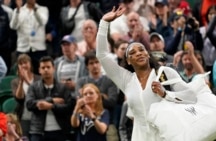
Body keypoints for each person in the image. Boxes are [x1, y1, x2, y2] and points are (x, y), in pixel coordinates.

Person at [96, 6, 198, 141]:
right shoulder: (126, 80)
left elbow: (191, 97)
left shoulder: (165, 72)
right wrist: (104, 23)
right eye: (132, 52)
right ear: (128, 61)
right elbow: (102, 55)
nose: (138, 53)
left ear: (148, 55)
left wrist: (165, 94)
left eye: (141, 50)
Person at [25, 56, 73, 141]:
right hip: (38, 131)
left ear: (54, 68)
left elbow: (69, 107)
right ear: (39, 70)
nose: (46, 70)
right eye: (43, 68)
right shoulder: (34, 87)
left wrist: (51, 106)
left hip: (60, 130)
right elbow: (29, 104)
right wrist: (52, 100)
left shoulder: (63, 88)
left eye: (48, 67)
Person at [75, 51, 119, 141]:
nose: (94, 65)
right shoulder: (81, 82)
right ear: (87, 66)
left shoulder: (110, 81)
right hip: (84, 122)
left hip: (108, 122)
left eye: (97, 62)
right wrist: (103, 95)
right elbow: (80, 102)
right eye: (91, 63)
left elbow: (112, 102)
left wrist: (92, 97)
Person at [10, 0, 49, 75]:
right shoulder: (18, 10)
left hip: (39, 49)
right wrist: (18, 10)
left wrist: (35, 9)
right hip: (23, 48)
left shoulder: (43, 9)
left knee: (40, 75)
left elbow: (43, 22)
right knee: (23, 75)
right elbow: (13, 26)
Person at [11, 54, 40, 138]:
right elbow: (19, 98)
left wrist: (27, 80)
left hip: (38, 116)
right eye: (20, 63)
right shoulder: (15, 82)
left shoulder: (39, 79)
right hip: (24, 116)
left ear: (30, 64)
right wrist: (21, 82)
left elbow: (38, 95)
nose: (23, 65)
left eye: (25, 62)